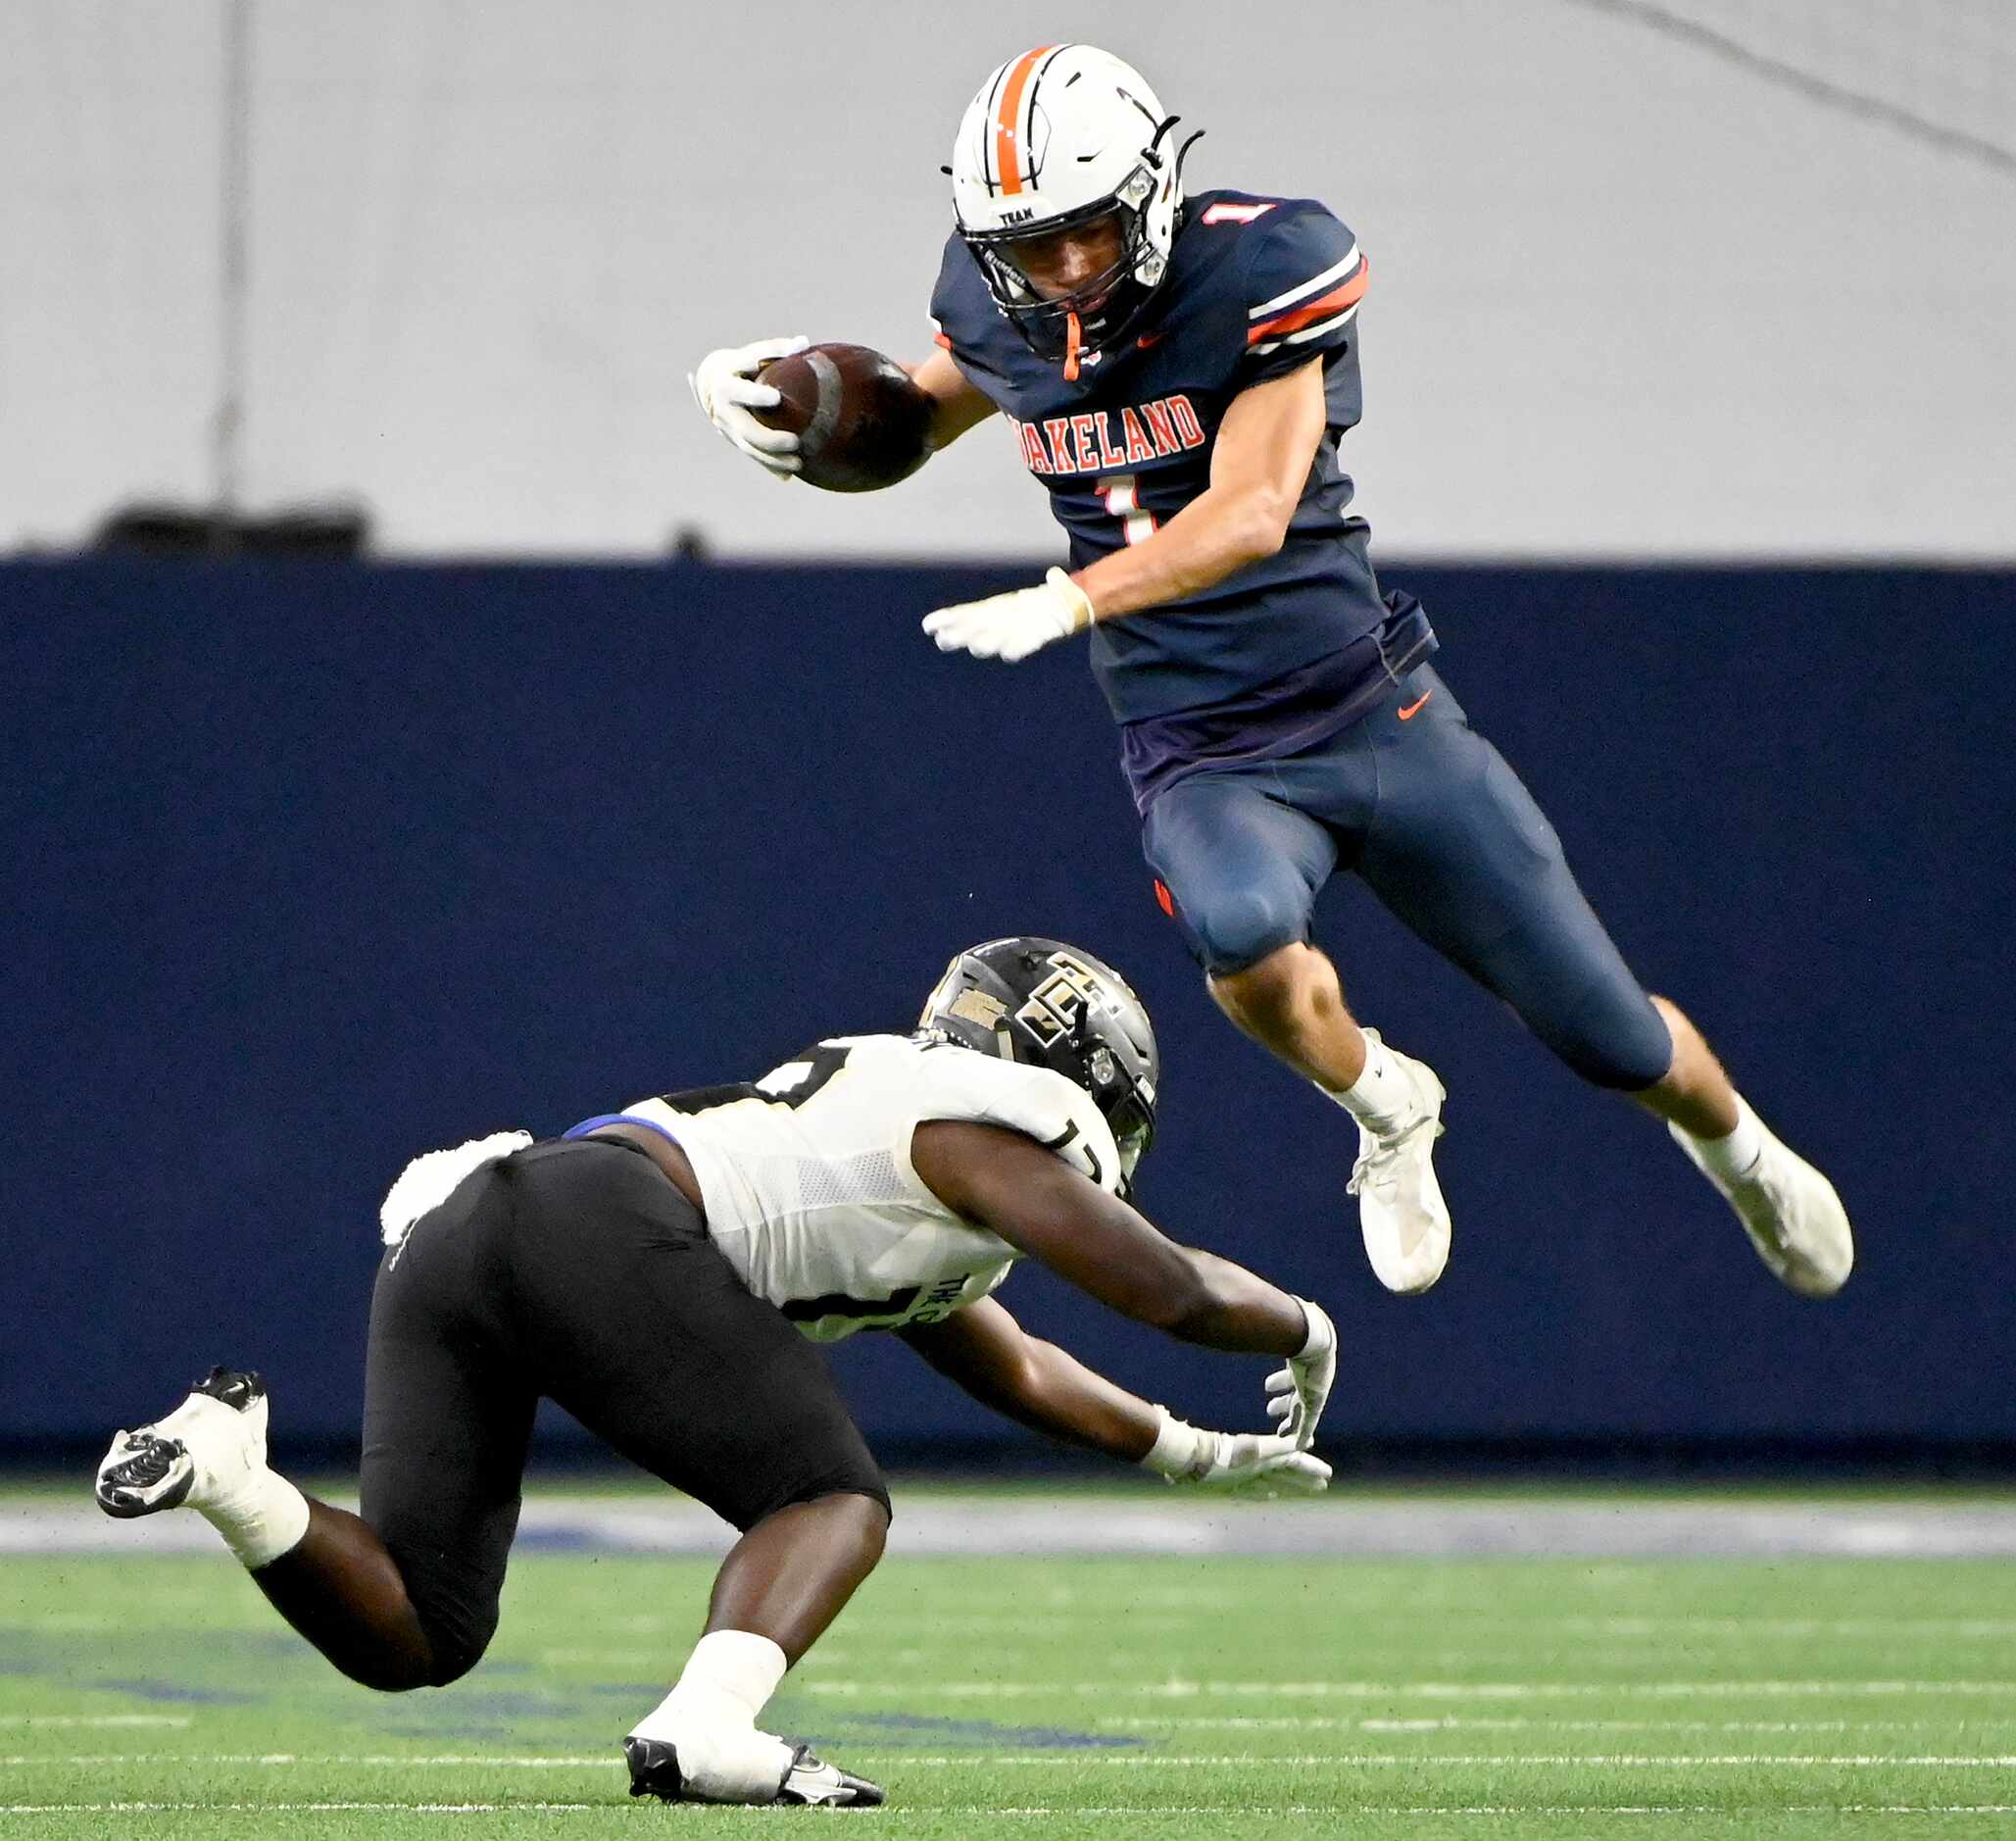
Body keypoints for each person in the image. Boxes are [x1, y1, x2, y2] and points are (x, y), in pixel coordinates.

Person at [689, 44, 1853, 1301]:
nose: (1065, 270)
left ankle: (1733, 1145)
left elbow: (1249, 509)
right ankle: (1387, 1106)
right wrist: (783, 408)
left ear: (1145, 195)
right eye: (1031, 247)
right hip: (1197, 744)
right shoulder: (997, 306)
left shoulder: (1262, 265)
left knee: (1608, 1035)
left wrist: (1076, 594)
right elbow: (910, 416)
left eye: (1085, 233)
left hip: (1368, 707)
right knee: (1240, 933)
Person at [95, 937, 1339, 1810]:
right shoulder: (982, 1123)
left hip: (472, 1221)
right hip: (599, 1215)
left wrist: (1196, 1452)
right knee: (827, 1496)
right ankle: (702, 1728)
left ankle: (230, 1477)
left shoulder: (911, 1158)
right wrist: (1300, 1324)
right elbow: (1166, 1287)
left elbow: (1019, 1372)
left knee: (421, 1631)